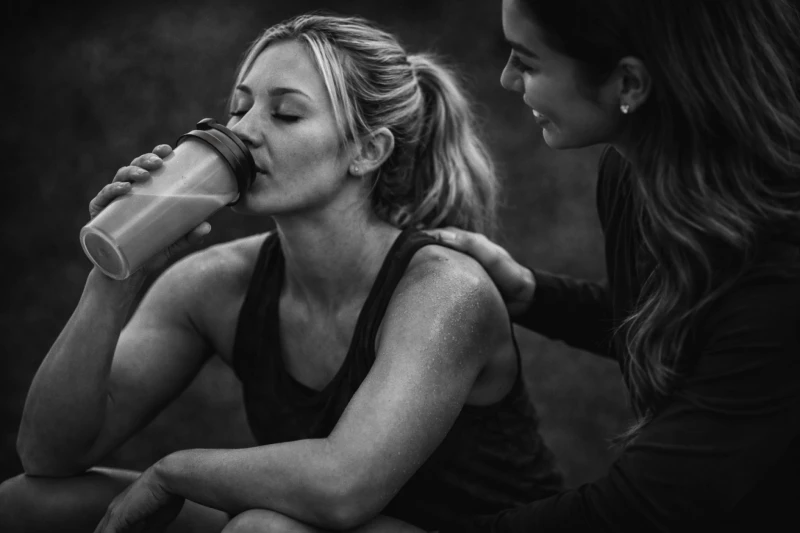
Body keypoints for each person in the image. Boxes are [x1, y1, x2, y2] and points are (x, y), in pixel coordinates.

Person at [0, 12, 564, 533]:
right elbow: (49, 456)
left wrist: (172, 471)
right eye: (239, 107)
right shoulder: (216, 284)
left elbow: (344, 488)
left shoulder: (446, 290)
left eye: (285, 113)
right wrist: (113, 280)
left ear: (367, 151)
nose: (243, 131)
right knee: (30, 502)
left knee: (262, 530)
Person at [424, 0, 800, 531]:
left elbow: (645, 509)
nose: (508, 79)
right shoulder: (632, 175)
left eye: (528, 62)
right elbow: (688, 335)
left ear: (628, 84)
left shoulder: (779, 270)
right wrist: (535, 294)